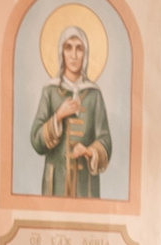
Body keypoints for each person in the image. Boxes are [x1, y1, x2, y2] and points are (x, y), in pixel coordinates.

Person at [31, 26, 112, 198]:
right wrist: (58, 115)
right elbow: (36, 141)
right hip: (55, 184)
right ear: (62, 52)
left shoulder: (93, 94)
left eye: (79, 48)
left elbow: (105, 141)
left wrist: (88, 151)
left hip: (86, 186)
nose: (74, 55)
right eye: (68, 47)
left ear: (86, 54)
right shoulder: (51, 91)